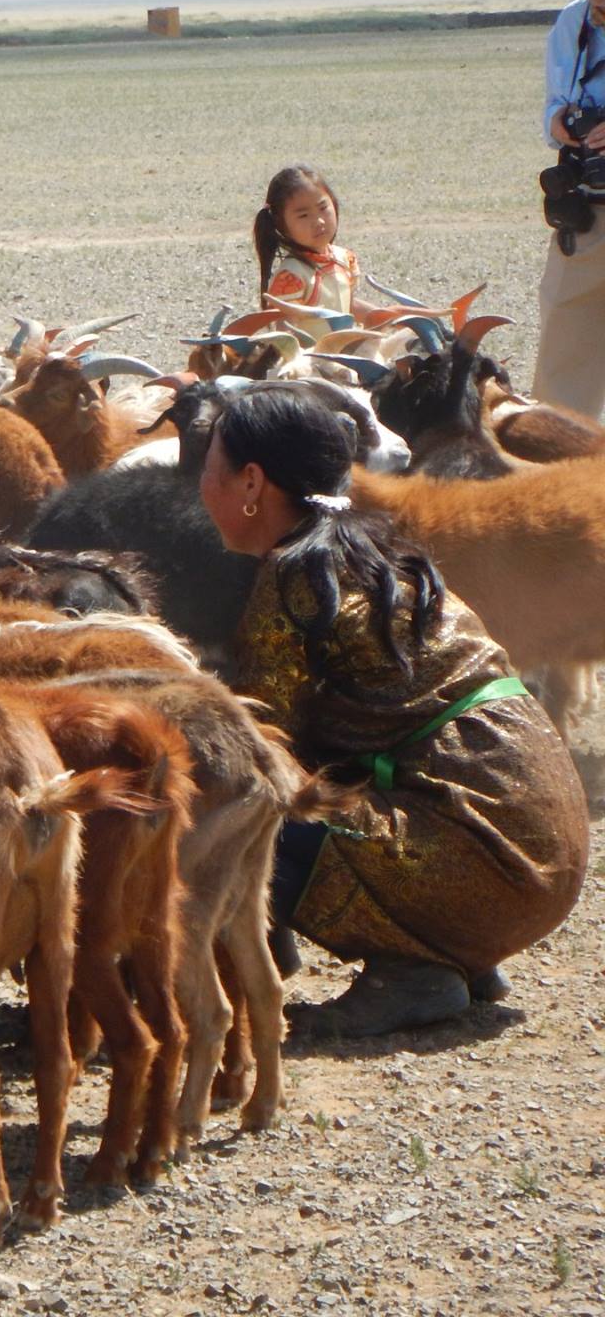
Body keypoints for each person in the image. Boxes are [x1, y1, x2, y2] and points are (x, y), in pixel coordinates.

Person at [198, 384, 588, 1037]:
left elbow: (260, 745)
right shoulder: (379, 547)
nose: (201, 488)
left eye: (209, 469)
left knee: (238, 806)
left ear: (252, 483)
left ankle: (413, 968)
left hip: (490, 862)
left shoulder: (295, 577)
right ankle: (459, 951)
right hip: (547, 847)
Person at [535, 0, 605, 419]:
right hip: (586, 212)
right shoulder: (570, 22)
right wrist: (559, 120)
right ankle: (559, 472)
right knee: (564, 337)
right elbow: (553, 105)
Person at [252, 165, 377, 317]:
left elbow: (347, 306)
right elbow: (284, 330)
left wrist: (394, 318)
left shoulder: (345, 259)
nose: (318, 221)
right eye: (303, 215)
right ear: (281, 224)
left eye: (323, 207)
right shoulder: (292, 276)